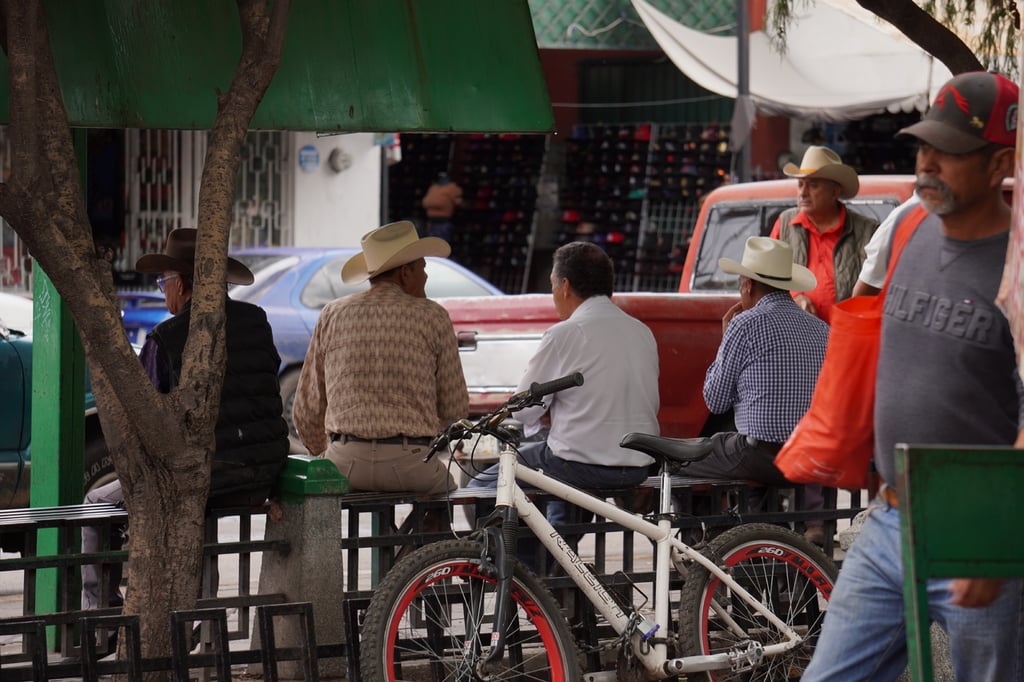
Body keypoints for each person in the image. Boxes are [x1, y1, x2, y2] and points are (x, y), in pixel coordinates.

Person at [803, 71, 1024, 681]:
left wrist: (997, 537)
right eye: (924, 146)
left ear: (1000, 162)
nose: (927, 163)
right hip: (891, 519)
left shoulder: (1018, 262)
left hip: (983, 529)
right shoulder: (906, 229)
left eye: (949, 152)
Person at [82, 228, 289, 611]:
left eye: (164, 282)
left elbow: (141, 413)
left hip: (206, 477)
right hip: (262, 474)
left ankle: (102, 617)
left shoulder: (168, 336)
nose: (163, 290)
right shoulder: (257, 320)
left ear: (181, 283)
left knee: (97, 504)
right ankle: (195, 624)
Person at [469, 241, 660, 528]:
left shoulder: (564, 334)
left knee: (479, 488)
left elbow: (523, 411)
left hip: (582, 465)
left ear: (566, 286)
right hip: (639, 464)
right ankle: (559, 550)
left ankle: (527, 567)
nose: (553, 295)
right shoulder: (642, 331)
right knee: (555, 460)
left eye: (552, 286)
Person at [292, 220, 468, 496]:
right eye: (422, 268)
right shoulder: (432, 316)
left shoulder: (333, 314)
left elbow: (307, 409)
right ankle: (424, 540)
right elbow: (455, 407)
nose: (426, 276)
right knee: (445, 496)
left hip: (345, 461)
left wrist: (324, 452)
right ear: (405, 273)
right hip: (412, 461)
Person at [683, 237, 828, 491]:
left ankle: (699, 531)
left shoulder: (744, 324)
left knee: (681, 460)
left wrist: (726, 337)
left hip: (761, 455)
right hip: (809, 456)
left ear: (748, 285)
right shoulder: (822, 329)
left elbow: (715, 401)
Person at [770, 145, 879, 324]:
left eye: (813, 185)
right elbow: (769, 280)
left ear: (835, 192)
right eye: (800, 184)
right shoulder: (785, 224)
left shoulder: (866, 231)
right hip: (797, 338)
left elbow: (878, 292)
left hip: (846, 338)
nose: (803, 193)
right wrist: (795, 297)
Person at [421, 172, 463, 241]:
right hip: (432, 222)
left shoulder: (452, 187)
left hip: (444, 222)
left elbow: (458, 201)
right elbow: (425, 202)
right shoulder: (433, 187)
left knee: (442, 243)